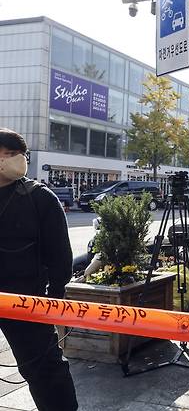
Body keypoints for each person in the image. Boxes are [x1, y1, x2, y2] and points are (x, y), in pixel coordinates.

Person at [0, 128, 78, 410]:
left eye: (15, 154)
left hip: (26, 302)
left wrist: (54, 299)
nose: (10, 160)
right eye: (5, 153)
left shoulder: (40, 198)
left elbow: (60, 257)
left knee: (45, 370)